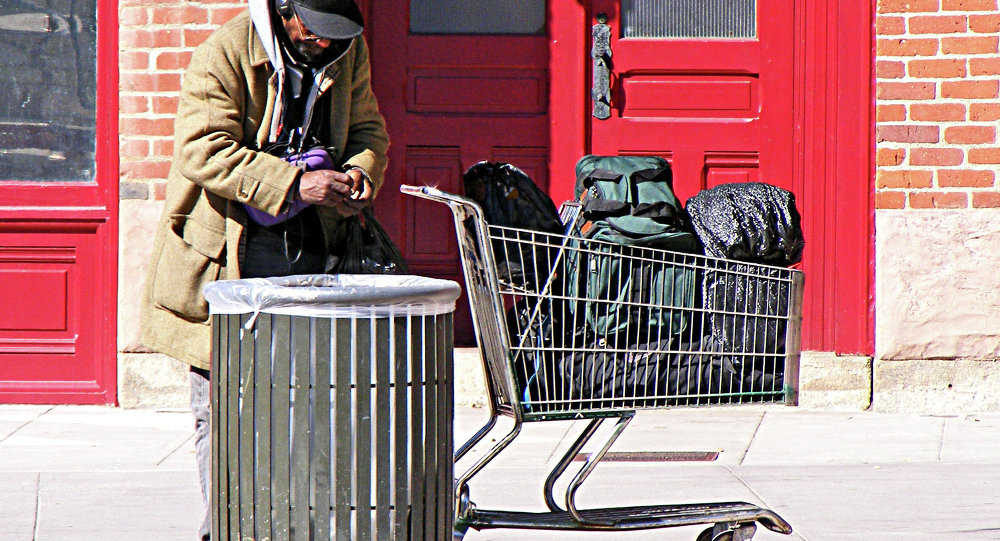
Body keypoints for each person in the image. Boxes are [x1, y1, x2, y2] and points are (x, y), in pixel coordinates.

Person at [139, 0, 388, 538]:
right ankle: (225, 527)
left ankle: (296, 523)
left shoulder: (348, 48)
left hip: (315, 247)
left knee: (310, 403)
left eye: (334, 34)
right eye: (314, 31)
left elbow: (369, 130)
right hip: (230, 254)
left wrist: (360, 174)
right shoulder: (223, 54)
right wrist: (294, 184)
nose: (323, 44)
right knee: (227, 405)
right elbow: (202, 151)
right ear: (282, 10)